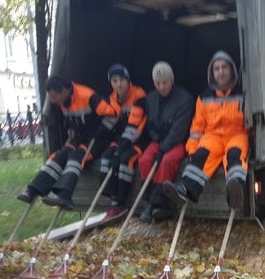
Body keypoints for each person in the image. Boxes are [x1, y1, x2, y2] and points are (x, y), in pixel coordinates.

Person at [163, 51, 248, 211]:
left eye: (224, 67)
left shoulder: (243, 94)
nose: (221, 72)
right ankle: (185, 191)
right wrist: (192, 150)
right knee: (200, 156)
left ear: (232, 70)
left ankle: (235, 193)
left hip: (236, 135)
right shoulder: (204, 97)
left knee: (234, 155)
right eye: (217, 69)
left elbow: (252, 121)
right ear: (212, 73)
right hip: (212, 137)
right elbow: (197, 127)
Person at [17, 76, 117, 208]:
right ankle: (33, 190)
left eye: (54, 98)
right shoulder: (63, 101)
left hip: (100, 140)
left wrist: (100, 132)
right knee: (60, 156)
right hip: (81, 138)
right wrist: (70, 127)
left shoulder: (88, 96)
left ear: (63, 91)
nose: (53, 102)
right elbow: (71, 119)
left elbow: (113, 115)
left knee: (76, 156)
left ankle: (65, 195)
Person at [137, 61, 194, 223]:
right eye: (158, 83)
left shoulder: (185, 99)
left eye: (165, 83)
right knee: (145, 160)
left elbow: (179, 130)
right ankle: (152, 201)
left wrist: (163, 149)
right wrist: (156, 141)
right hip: (159, 140)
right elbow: (150, 125)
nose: (161, 87)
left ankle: (154, 205)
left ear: (172, 80)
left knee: (167, 161)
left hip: (177, 142)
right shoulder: (151, 98)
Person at [99, 64, 148, 222]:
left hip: (139, 139)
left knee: (123, 160)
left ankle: (120, 201)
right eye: (114, 81)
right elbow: (109, 123)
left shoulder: (139, 95)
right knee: (106, 158)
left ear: (128, 80)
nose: (118, 84)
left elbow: (134, 125)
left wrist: (120, 148)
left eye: (121, 80)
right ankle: (113, 201)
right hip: (121, 139)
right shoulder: (112, 99)